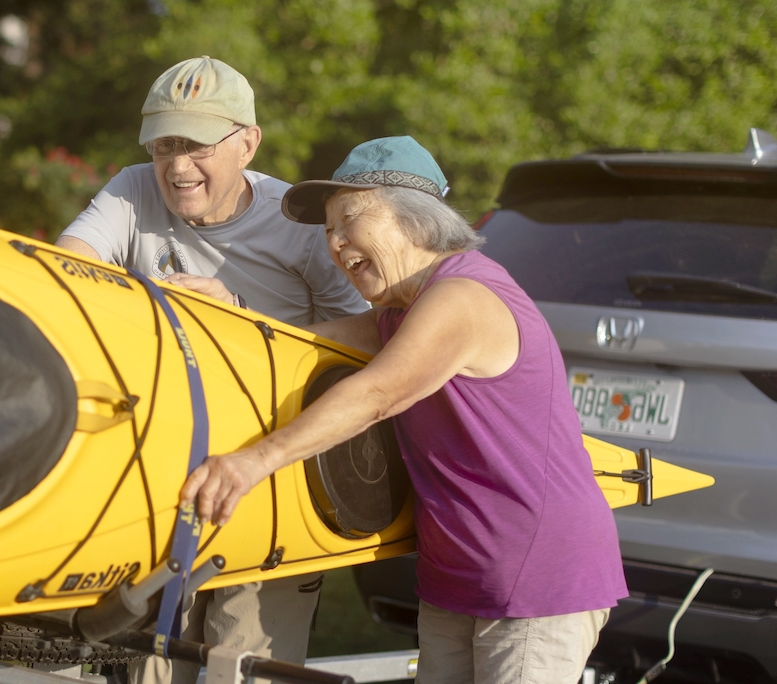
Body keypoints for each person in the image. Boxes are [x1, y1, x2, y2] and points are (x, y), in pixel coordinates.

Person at [178, 136, 628, 684]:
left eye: (350, 219)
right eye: (328, 230)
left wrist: (251, 463)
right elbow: (292, 343)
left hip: (536, 579)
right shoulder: (399, 313)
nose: (337, 244)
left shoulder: (462, 297)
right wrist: (227, 317)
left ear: (416, 219)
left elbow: (375, 395)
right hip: (458, 578)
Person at [56, 56, 369, 684]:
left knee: (245, 664)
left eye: (196, 145)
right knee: (143, 663)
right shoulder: (133, 187)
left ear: (246, 143)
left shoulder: (303, 225)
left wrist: (238, 319)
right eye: (164, 144)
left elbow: (363, 349)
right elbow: (66, 270)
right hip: (160, 470)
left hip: (274, 475)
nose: (176, 167)